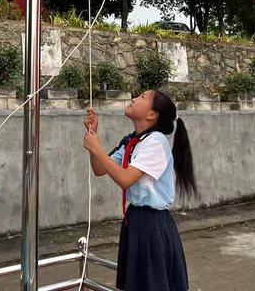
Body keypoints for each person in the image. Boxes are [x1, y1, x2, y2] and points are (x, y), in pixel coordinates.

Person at [83, 90, 197, 291]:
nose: (134, 98)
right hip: (134, 219)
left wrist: (98, 148)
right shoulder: (133, 142)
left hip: (153, 224)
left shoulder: (155, 143)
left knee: (152, 284)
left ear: (152, 115)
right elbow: (100, 169)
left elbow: (125, 179)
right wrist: (94, 136)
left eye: (142, 97)